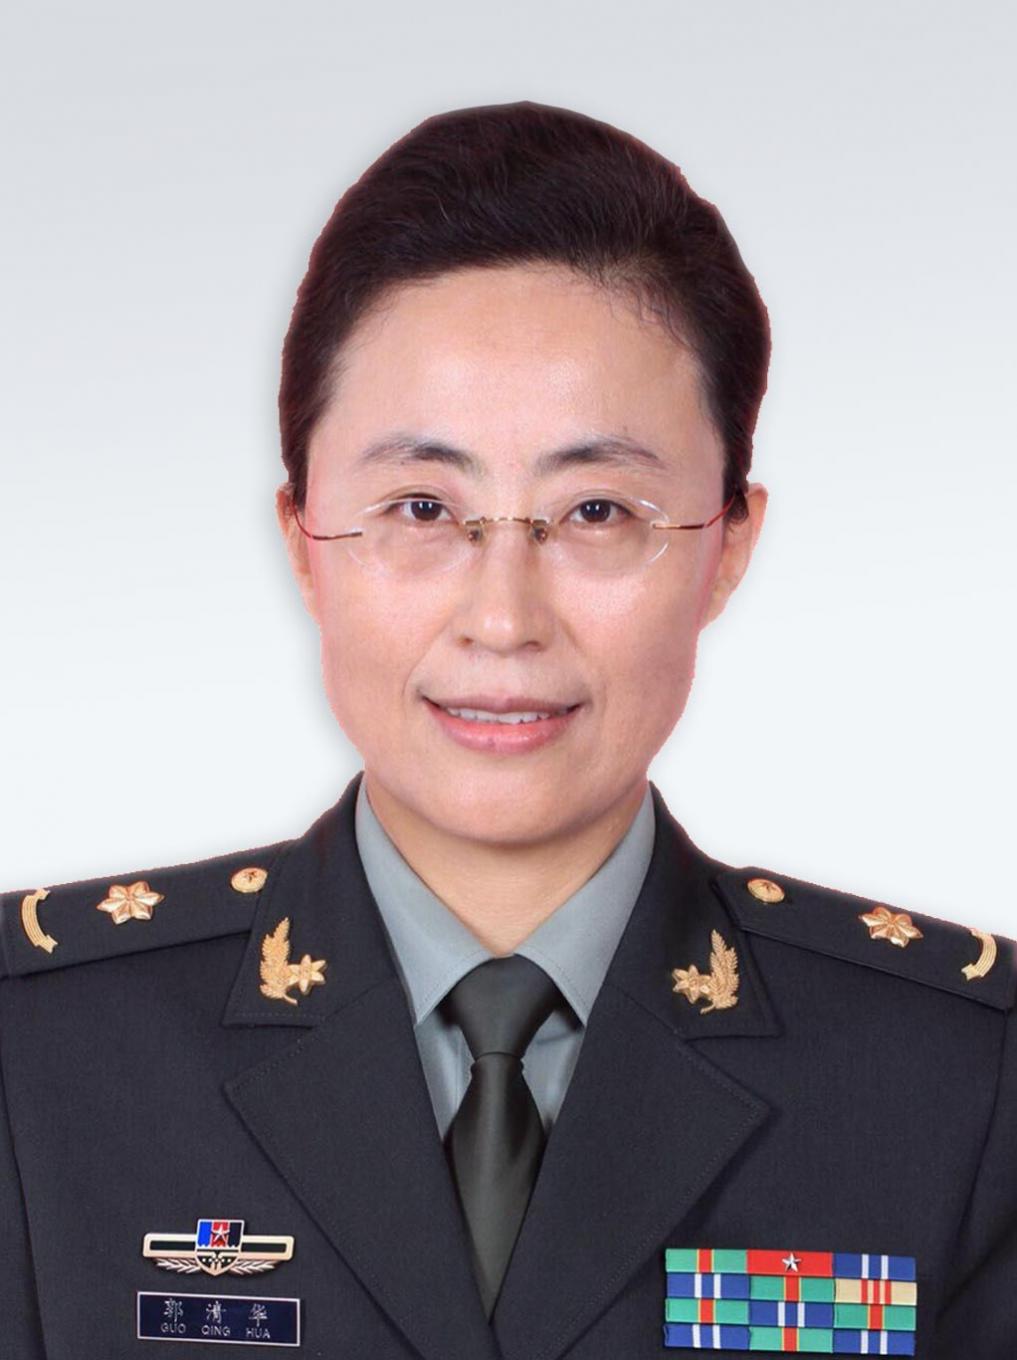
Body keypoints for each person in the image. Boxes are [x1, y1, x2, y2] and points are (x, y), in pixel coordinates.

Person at [1, 100, 1013, 1360]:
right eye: (423, 507)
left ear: (728, 546)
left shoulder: (960, 1082)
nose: (503, 619)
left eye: (597, 512)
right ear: (304, 541)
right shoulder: (40, 1055)